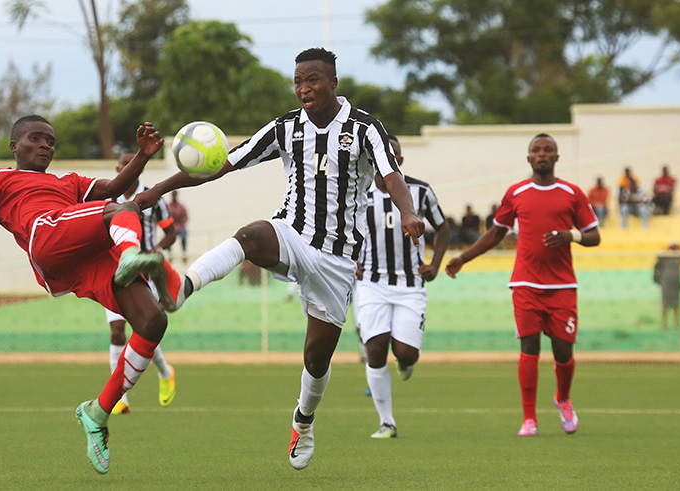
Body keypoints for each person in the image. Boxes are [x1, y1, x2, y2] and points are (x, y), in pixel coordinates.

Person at [137, 47, 425, 470]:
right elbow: (225, 162)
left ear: (333, 82)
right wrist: (156, 190)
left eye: (312, 80)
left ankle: (303, 421)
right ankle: (183, 285)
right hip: (291, 232)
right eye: (298, 82)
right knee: (252, 235)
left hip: (338, 259)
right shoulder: (285, 127)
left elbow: (391, 176)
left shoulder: (365, 128)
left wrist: (408, 212)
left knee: (316, 358)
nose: (304, 88)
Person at [0, 115, 168, 475]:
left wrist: (143, 155)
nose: (46, 145)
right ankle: (130, 255)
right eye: (36, 138)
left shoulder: (69, 182)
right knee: (123, 210)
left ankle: (98, 412)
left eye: (51, 141)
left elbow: (112, 186)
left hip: (82, 257)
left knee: (153, 322)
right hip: (45, 239)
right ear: (15, 146)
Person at [445, 133, 600, 437]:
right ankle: (529, 418)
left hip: (562, 286)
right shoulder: (516, 193)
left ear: (556, 157)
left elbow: (594, 235)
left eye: (548, 150)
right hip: (525, 283)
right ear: (529, 158)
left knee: (563, 352)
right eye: (536, 150)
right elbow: (494, 234)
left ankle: (563, 399)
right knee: (529, 348)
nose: (542, 154)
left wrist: (572, 236)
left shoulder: (572, 193)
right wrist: (463, 258)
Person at [353, 134, 449, 439]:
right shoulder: (358, 192)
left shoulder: (419, 191)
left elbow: (443, 227)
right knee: (376, 348)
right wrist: (349, 259)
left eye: (392, 155)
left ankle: (407, 363)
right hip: (370, 283)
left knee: (405, 353)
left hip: (410, 285)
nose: (386, 160)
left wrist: (434, 264)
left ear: (400, 161)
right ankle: (387, 422)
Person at [103, 153, 178, 414]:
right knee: (116, 332)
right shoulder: (108, 199)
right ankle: (119, 399)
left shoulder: (152, 197)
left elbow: (171, 233)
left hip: (144, 270)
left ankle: (165, 372)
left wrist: (156, 250)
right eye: (124, 166)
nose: (128, 170)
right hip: (113, 270)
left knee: (144, 330)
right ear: (119, 169)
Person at [653, 243, 680, 330]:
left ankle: (676, 324)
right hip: (666, 283)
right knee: (665, 305)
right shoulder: (665, 258)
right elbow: (658, 256)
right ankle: (664, 324)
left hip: (675, 283)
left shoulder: (678, 258)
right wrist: (667, 249)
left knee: (676, 305)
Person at [167, 190, 189, 263]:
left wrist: (182, 224)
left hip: (180, 227)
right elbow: (165, 217)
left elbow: (185, 217)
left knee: (184, 235)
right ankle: (170, 254)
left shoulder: (181, 206)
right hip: (171, 227)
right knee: (167, 237)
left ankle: (184, 252)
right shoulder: (168, 206)